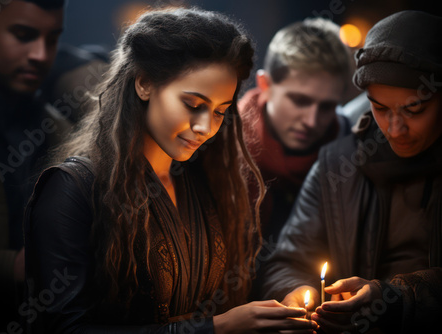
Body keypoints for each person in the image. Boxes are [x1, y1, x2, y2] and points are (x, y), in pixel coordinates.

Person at [24, 7, 318, 333]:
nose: (205, 127)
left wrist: (289, 293)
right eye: (193, 105)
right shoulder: (73, 190)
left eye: (220, 112)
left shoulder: (205, 180)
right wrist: (215, 328)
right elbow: (65, 328)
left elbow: (248, 271)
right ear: (145, 84)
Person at [262, 10, 442, 334]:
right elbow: (287, 262)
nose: (395, 128)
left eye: (414, 109)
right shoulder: (337, 165)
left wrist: (396, 299)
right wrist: (294, 293)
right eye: (380, 108)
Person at [0, 0, 69, 332]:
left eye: (52, 40)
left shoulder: (59, 130)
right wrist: (14, 267)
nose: (40, 54)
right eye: (23, 35)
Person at [238, 17, 354, 299]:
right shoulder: (220, 146)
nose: (312, 121)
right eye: (300, 101)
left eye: (327, 106)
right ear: (265, 84)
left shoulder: (354, 155)